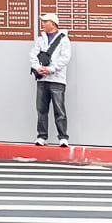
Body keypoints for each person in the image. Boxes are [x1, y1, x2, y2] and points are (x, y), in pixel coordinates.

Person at [29, 12, 72, 147]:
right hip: (42, 80)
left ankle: (63, 137)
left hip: (57, 80)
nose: (42, 24)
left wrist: (50, 69)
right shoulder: (40, 39)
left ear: (52, 24)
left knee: (59, 110)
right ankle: (42, 137)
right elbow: (33, 55)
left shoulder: (64, 39)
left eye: (45, 21)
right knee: (41, 109)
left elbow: (65, 58)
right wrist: (37, 68)